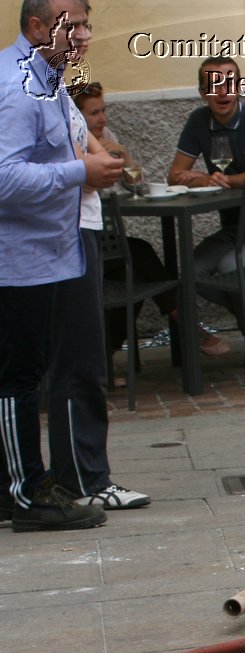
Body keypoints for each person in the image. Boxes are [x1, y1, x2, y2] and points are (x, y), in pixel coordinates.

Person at [0, 0, 121, 532]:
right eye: (74, 26)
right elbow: (4, 179)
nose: (85, 36)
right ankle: (25, 496)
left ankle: (30, 485)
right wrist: (79, 171)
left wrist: (88, 166)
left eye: (86, 25)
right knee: (16, 380)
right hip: (17, 262)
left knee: (26, 377)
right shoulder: (16, 87)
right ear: (36, 28)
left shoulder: (47, 79)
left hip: (45, 256)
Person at [48, 30, 148, 512]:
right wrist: (89, 165)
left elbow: (98, 154)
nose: (85, 35)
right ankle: (83, 479)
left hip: (77, 227)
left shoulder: (59, 91)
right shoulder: (34, 91)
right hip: (61, 233)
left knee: (82, 362)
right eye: (75, 25)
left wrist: (104, 159)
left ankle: (81, 476)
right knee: (78, 363)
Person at [72, 83, 229, 363]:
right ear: (76, 116)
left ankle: (105, 360)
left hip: (107, 240)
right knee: (139, 256)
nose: (102, 119)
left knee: (134, 273)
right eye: (94, 113)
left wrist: (125, 155)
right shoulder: (73, 144)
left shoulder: (106, 136)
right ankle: (189, 327)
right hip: (81, 244)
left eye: (104, 110)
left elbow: (136, 185)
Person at [167, 56, 245, 357]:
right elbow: (174, 176)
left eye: (230, 82)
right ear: (202, 92)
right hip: (234, 229)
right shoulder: (198, 121)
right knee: (191, 273)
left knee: (228, 268)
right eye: (213, 85)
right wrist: (203, 179)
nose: (223, 91)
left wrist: (220, 180)